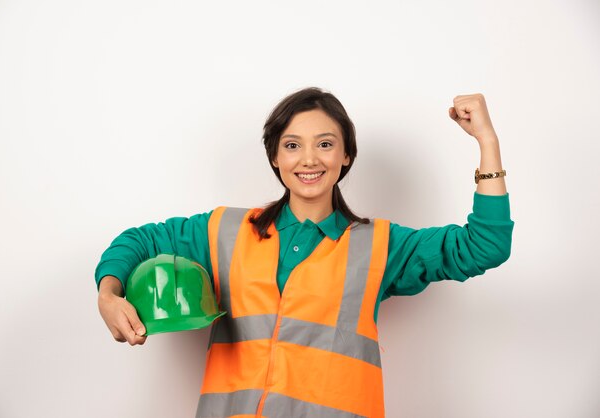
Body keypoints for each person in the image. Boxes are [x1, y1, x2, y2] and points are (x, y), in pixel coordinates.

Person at [95, 87, 514, 417]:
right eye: (292, 145)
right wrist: (109, 295)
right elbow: (140, 241)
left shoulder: (382, 246)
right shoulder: (223, 231)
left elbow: (484, 246)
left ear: (346, 154)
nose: (309, 158)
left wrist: (487, 142)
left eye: (326, 144)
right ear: (275, 157)